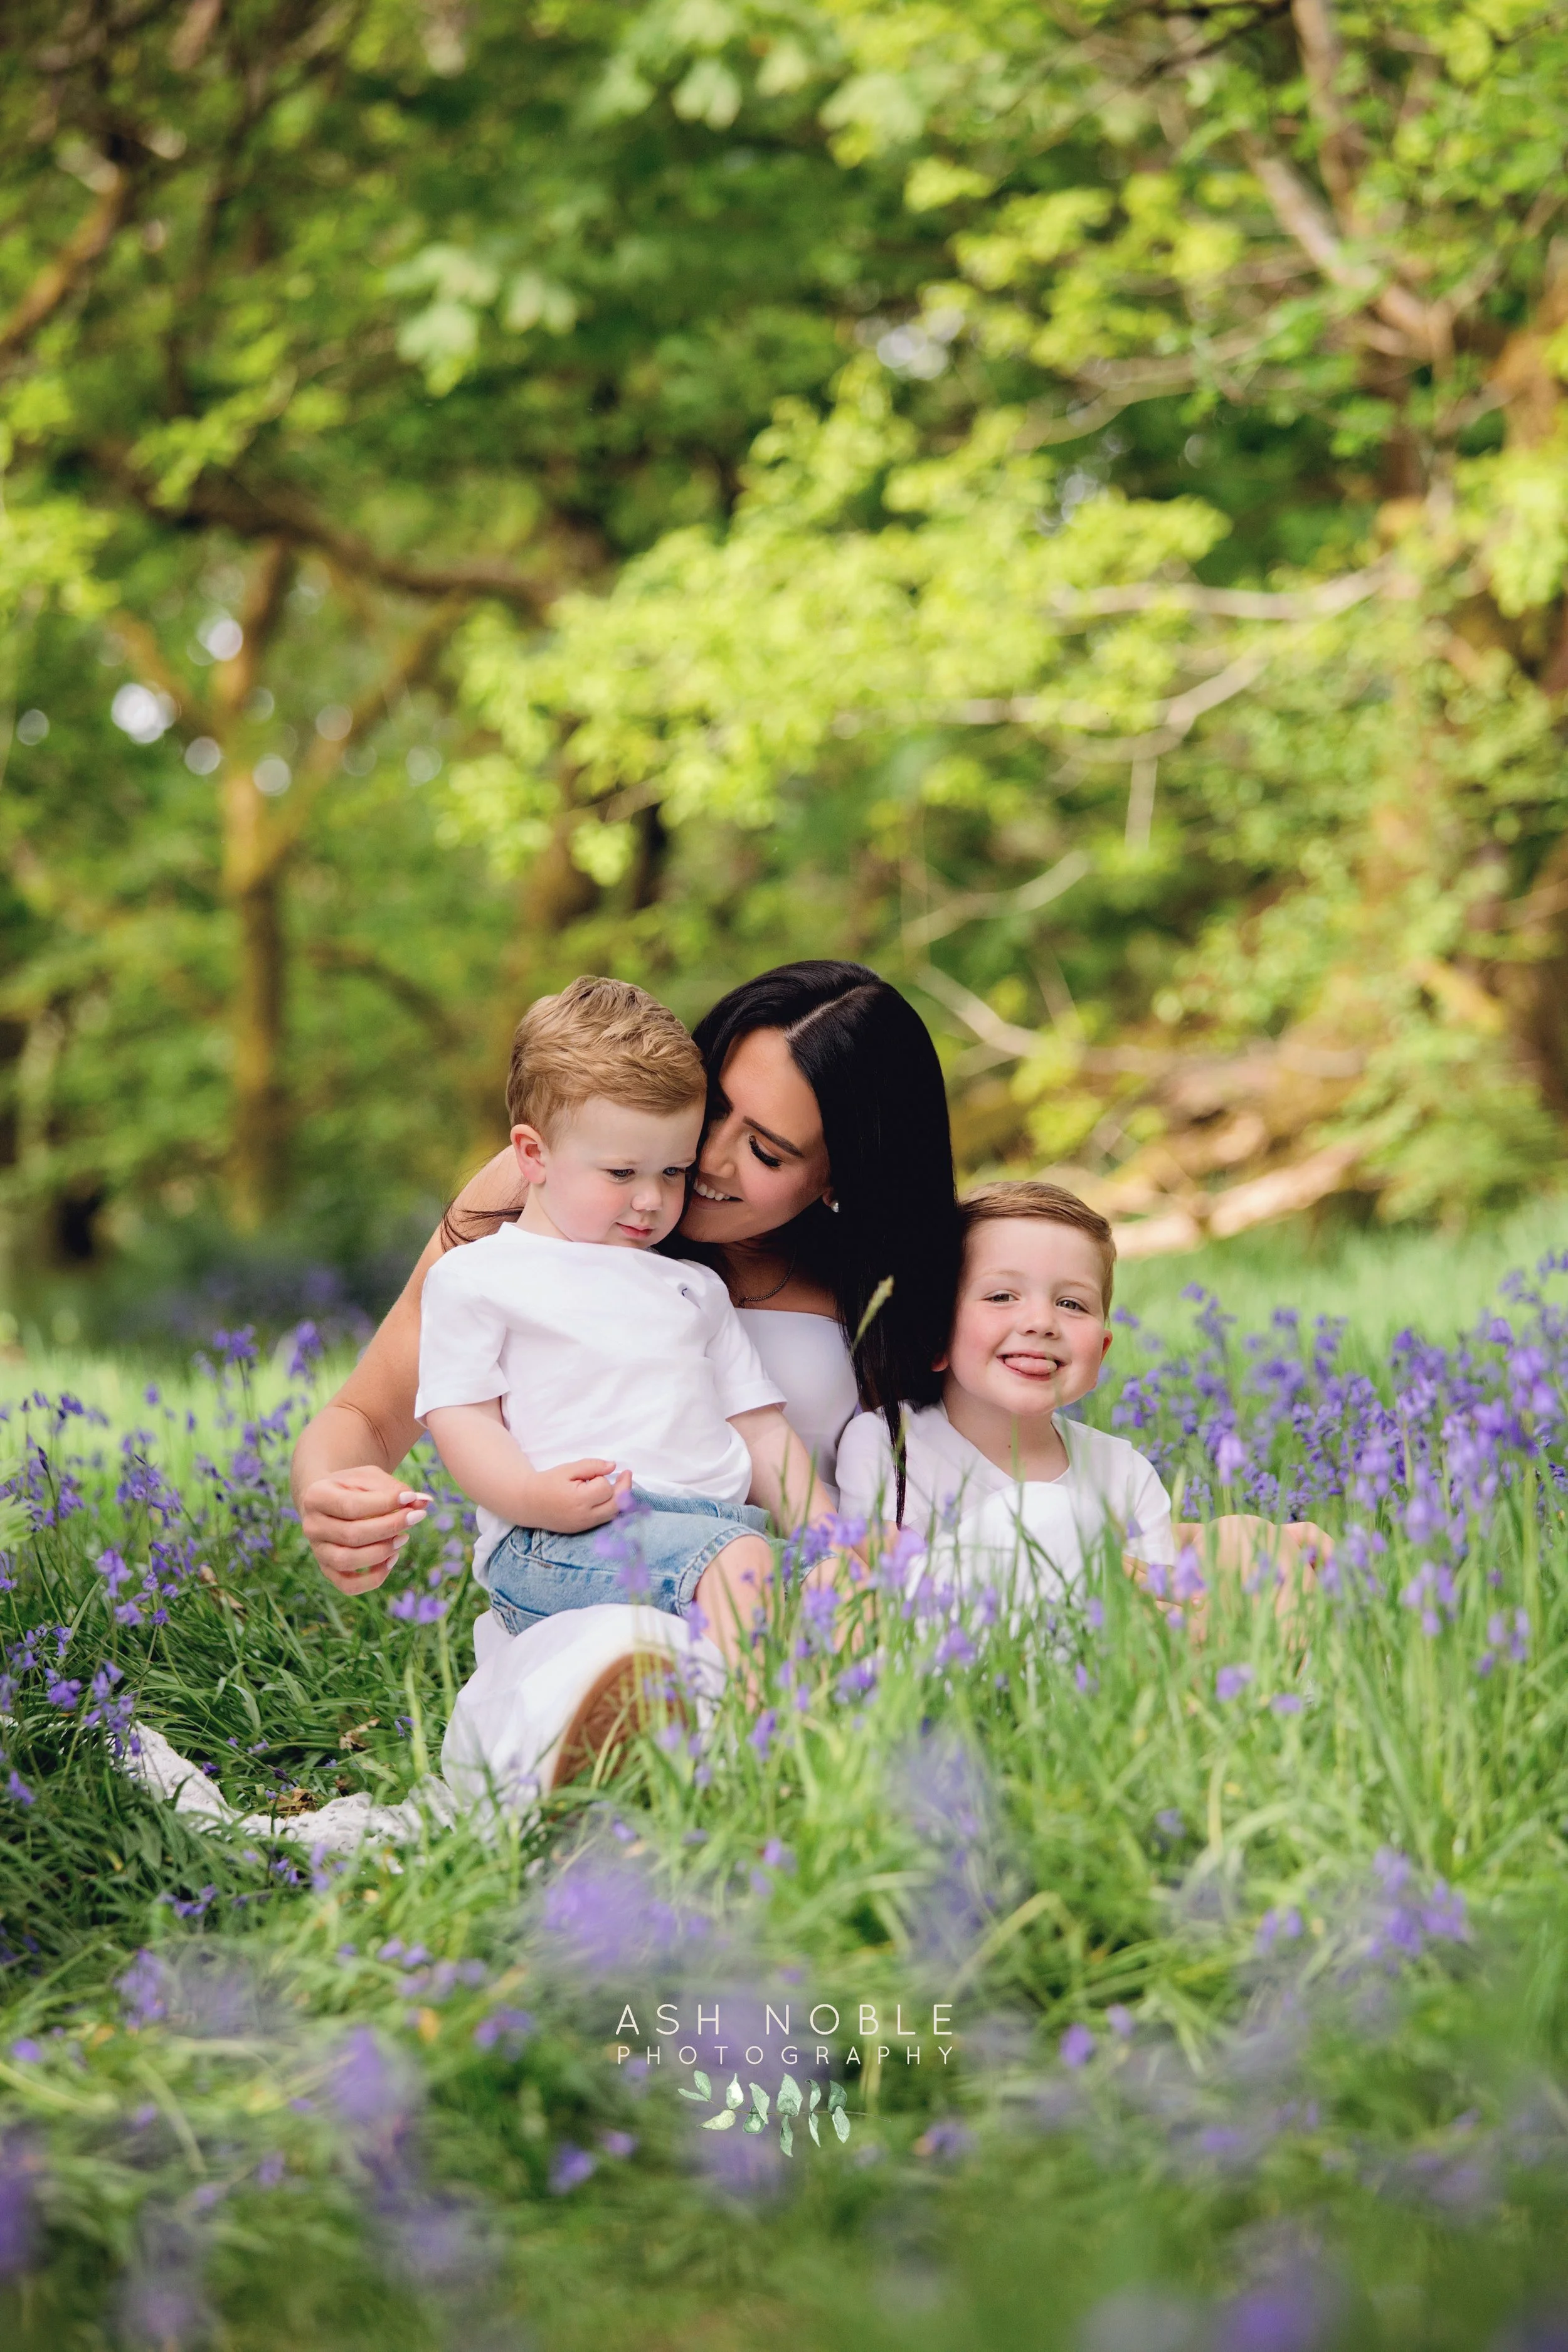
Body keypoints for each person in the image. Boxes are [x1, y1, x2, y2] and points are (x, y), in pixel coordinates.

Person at [290, 959, 961, 1591]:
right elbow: (368, 1419)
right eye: (716, 1108)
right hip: (592, 1578)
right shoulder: (555, 1184)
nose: (704, 1160)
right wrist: (334, 1495)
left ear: (840, 1177)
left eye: (764, 1150)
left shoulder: (890, 1276)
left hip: (795, 1583)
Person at [415, 976, 836, 1663]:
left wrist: (831, 1537)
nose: (651, 1200)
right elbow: (461, 1417)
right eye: (621, 1173)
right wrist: (528, 1496)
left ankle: (845, 1726)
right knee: (742, 1569)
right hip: (561, 1542)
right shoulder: (480, 1276)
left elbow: (759, 1429)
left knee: (844, 1590)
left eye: (673, 1171)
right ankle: (749, 1742)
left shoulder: (694, 1288)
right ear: (533, 1155)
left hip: (725, 1532)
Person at [837, 1180, 1174, 1594]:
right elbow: (889, 1590)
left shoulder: (1126, 1475)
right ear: (937, 1334)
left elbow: (1165, 1611)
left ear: (1100, 1354)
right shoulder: (888, 1444)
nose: (1041, 1322)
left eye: (1071, 1304)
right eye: (1001, 1296)